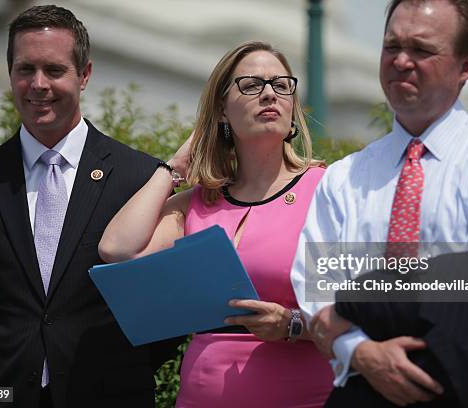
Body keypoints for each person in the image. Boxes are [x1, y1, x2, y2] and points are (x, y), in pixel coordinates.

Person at [290, 0, 468, 407]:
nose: (401, 61)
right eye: (391, 46)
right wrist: (362, 352)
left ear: (467, 66)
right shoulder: (345, 177)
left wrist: (361, 302)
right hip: (363, 386)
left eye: (422, 49)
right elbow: (316, 290)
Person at [0, 5, 179, 408]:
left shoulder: (139, 179)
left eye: (54, 71)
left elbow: (164, 310)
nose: (38, 84)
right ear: (10, 73)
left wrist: (117, 369)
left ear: (84, 75)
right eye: (25, 69)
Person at [98, 41, 333, 407]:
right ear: (222, 109)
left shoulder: (326, 191)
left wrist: (291, 325)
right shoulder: (201, 201)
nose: (269, 94)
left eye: (281, 84)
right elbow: (117, 250)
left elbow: (360, 310)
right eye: (252, 85)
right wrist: (174, 167)